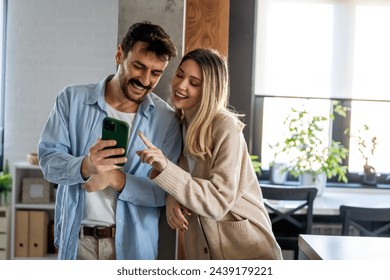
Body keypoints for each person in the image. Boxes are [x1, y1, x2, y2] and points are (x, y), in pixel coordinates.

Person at [37, 21, 182, 260]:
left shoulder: (166, 120)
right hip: (76, 244)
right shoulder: (71, 100)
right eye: (138, 66)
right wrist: (86, 166)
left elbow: (164, 193)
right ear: (119, 55)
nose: (145, 80)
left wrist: (117, 179)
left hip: (134, 250)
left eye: (155, 73)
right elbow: (48, 163)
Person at [137, 48, 283, 259]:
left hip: (247, 251)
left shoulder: (226, 127)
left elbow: (217, 202)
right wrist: (171, 197)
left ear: (209, 90)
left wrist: (166, 170)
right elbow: (185, 182)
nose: (181, 85)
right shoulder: (178, 124)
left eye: (194, 83)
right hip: (204, 251)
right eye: (180, 74)